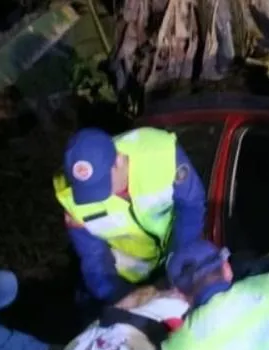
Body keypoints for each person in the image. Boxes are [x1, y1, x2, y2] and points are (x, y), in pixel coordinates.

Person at [54, 126, 208, 309]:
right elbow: (93, 257)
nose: (101, 196)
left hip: (173, 256)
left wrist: (178, 264)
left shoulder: (160, 153)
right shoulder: (70, 197)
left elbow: (191, 207)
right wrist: (123, 298)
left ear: (119, 161)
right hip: (126, 279)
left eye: (103, 184)